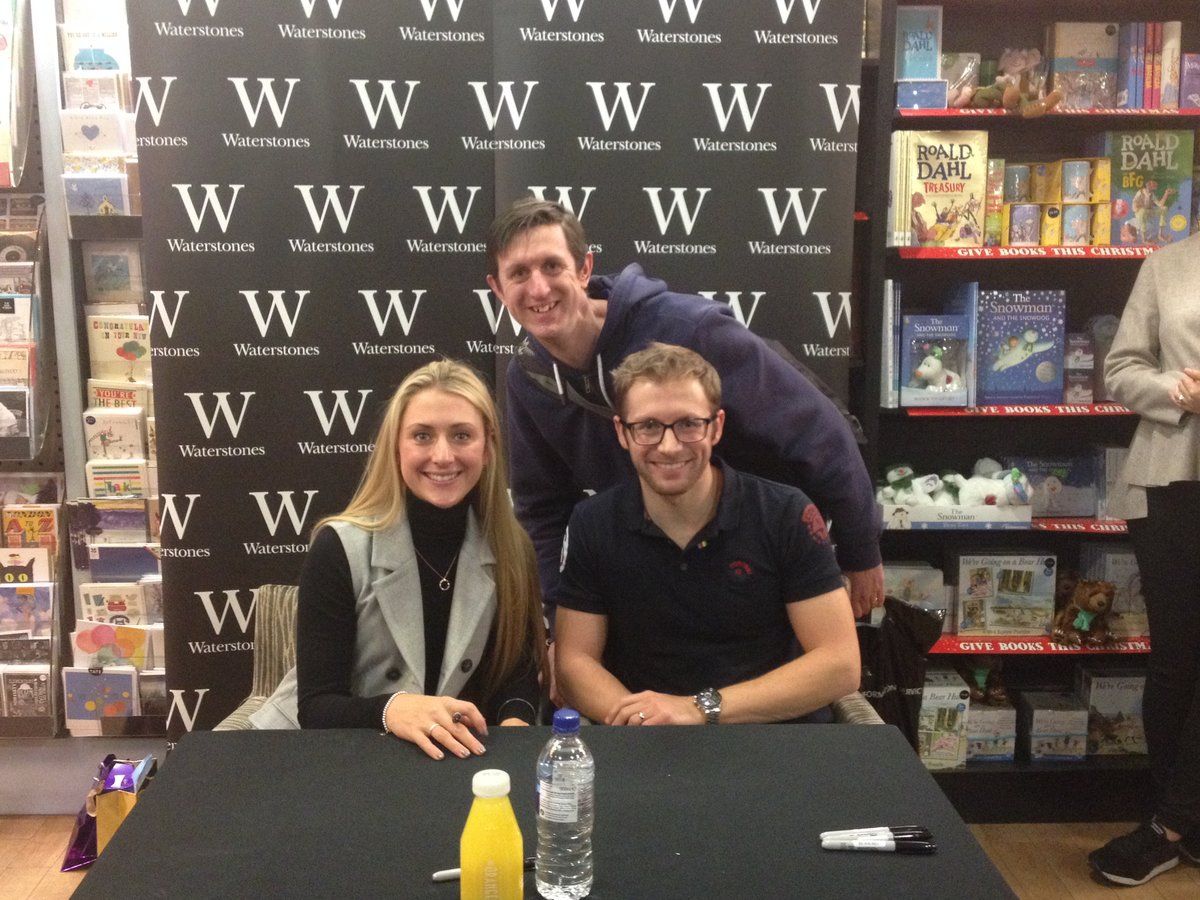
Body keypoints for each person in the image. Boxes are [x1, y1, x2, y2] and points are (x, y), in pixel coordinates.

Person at [485, 198, 883, 631]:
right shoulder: (527, 377)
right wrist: (557, 614)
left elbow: (815, 430)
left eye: (552, 266)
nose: (539, 289)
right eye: (519, 274)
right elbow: (541, 508)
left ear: (583, 269)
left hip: (761, 552)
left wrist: (860, 551)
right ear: (498, 289)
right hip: (654, 560)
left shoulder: (690, 329)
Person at [251, 360, 546, 760]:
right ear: (396, 446)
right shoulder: (338, 545)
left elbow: (518, 674)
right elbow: (317, 706)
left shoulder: (513, 549)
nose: (443, 455)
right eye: (422, 436)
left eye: (462, 435)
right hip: (322, 750)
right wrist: (393, 708)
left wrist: (515, 730)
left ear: (489, 446)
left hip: (435, 754)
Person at [553, 344, 860, 726]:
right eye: (648, 426)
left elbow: (840, 664)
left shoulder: (786, 513)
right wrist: (645, 721)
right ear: (622, 432)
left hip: (770, 742)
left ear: (716, 427)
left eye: (688, 424)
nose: (669, 446)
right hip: (645, 746)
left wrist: (698, 709)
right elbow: (574, 662)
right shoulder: (592, 522)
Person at [1088, 231, 1200, 885]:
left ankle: (1168, 827)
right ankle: (1180, 821)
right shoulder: (1169, 264)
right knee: (1175, 665)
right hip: (1169, 481)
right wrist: (1178, 393)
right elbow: (1122, 371)